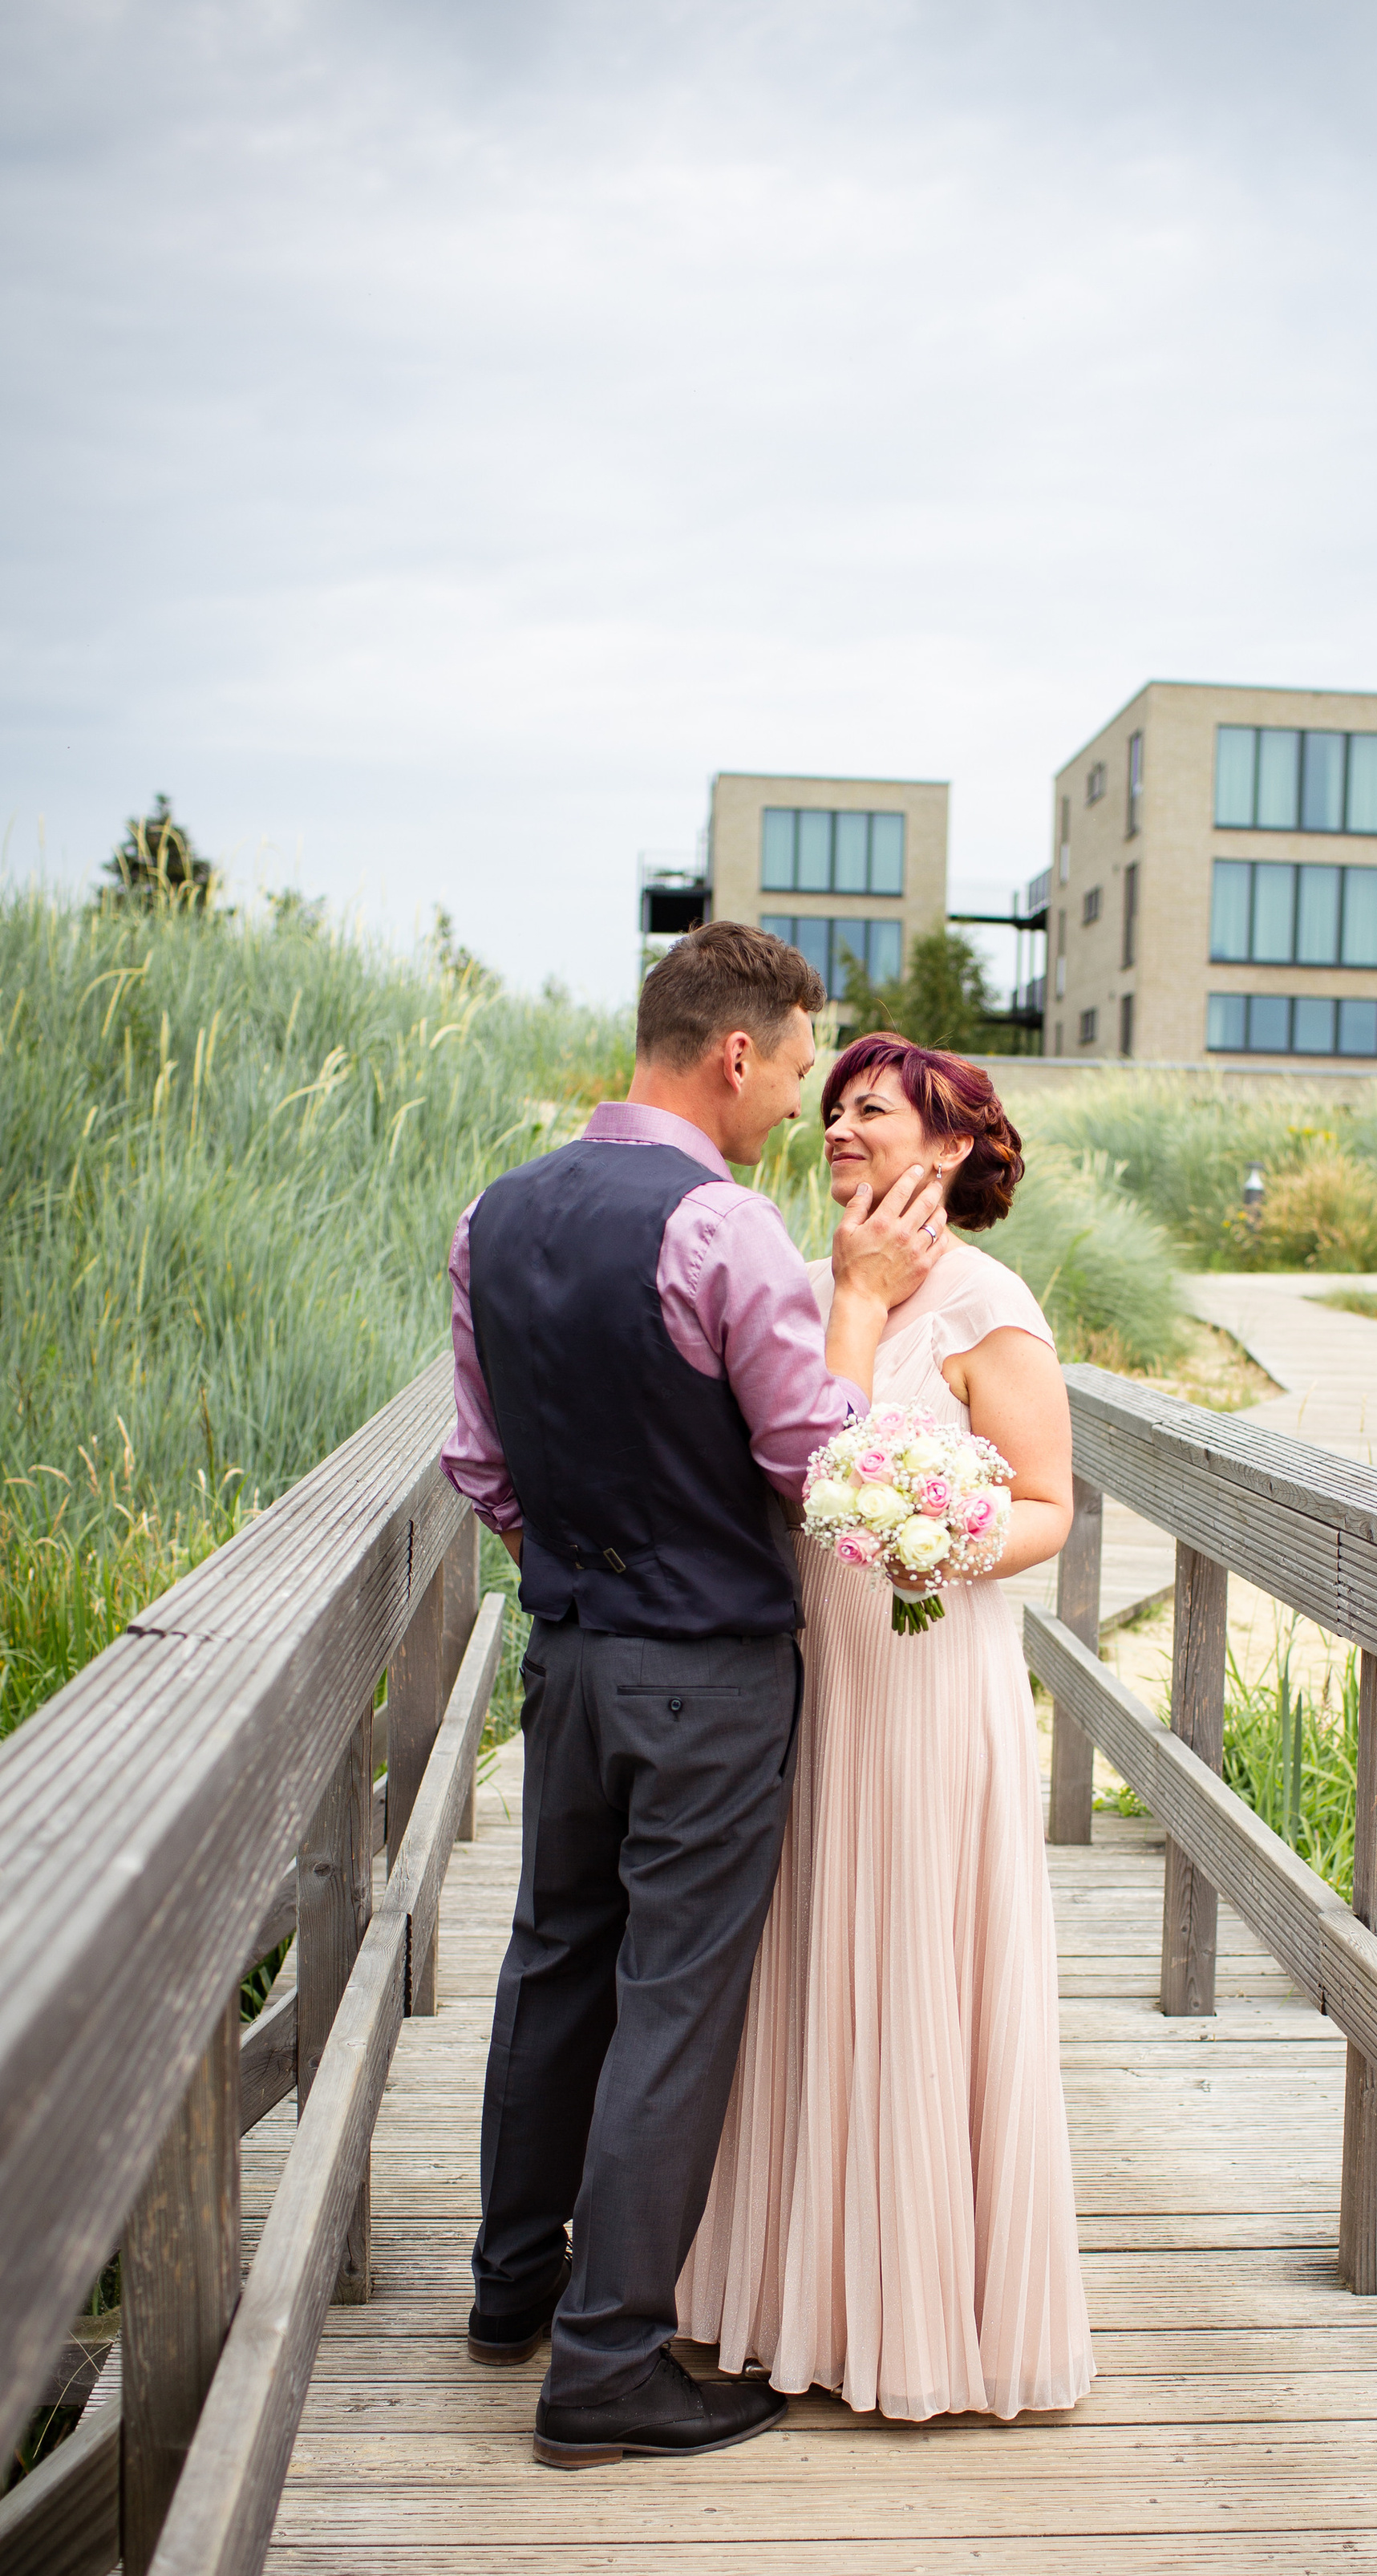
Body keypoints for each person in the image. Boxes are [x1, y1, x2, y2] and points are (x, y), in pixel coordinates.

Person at [439, 926, 944, 2467]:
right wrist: (856, 1298)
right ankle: (606, 2364)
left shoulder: (492, 1213)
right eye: (800, 1068)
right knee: (675, 2002)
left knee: (552, 1960)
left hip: (572, 1657)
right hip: (708, 1676)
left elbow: (478, 1464)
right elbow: (821, 1468)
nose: (801, 1103)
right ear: (739, 1053)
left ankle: (511, 2288)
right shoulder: (721, 1233)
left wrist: (586, 1568)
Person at [678, 1036, 1097, 2422]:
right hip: (808, 1675)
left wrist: (949, 1538)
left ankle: (918, 2316)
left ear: (957, 1150)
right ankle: (795, 2299)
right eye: (837, 1107)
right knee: (806, 1962)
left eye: (874, 1113)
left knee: (915, 1957)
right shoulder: (802, 1295)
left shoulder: (992, 1308)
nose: (841, 1129)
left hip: (929, 1684)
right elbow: (787, 1478)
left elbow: (1049, 1503)